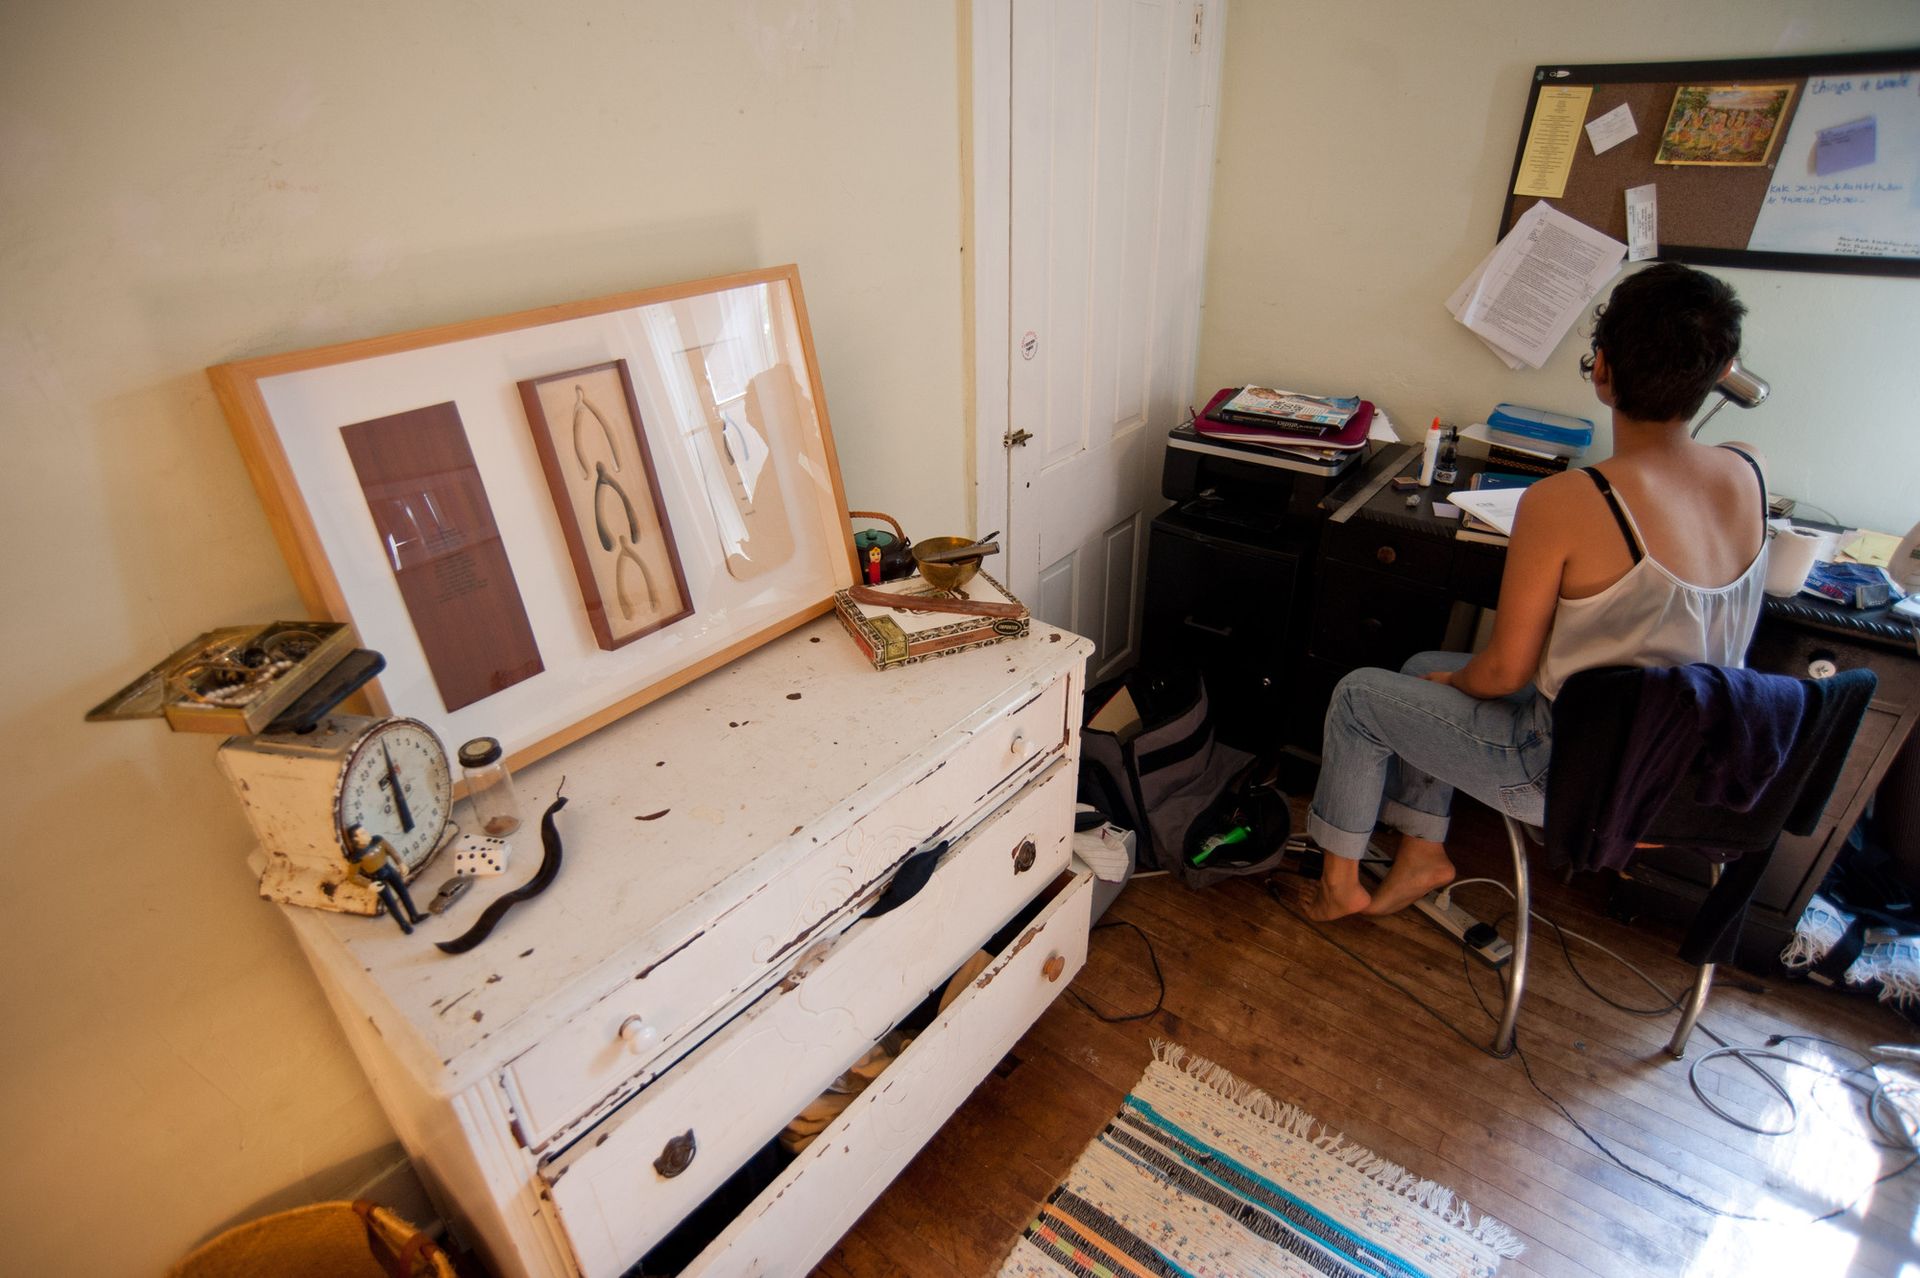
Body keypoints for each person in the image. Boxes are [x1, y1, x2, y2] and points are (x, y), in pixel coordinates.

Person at [1303, 262, 1769, 921]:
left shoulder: (1568, 501)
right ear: (1723, 372)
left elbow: (1503, 672)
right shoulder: (1748, 469)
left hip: (1578, 773)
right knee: (1421, 670)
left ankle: (1338, 889)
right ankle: (1421, 856)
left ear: (1601, 370)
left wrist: (1463, 684)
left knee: (1357, 697)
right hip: (1693, 766)